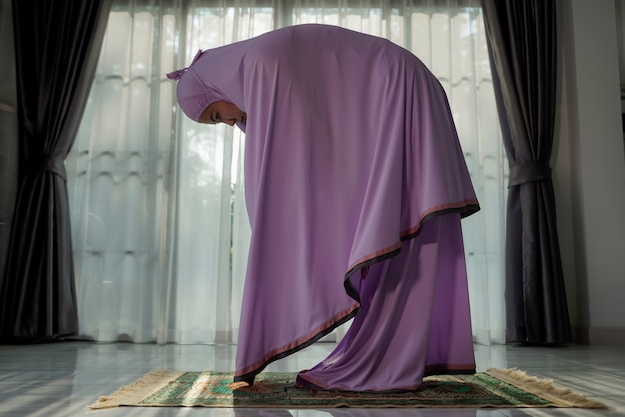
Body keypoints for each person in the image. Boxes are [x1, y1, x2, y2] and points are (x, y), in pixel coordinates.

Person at [167, 23, 480, 392]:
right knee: (398, 229)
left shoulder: (263, 66)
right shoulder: (259, 64)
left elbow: (283, 168)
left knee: (403, 228)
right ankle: (396, 355)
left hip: (401, 90)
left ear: (214, 87)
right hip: (402, 88)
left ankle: (388, 361)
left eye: (215, 116)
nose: (227, 122)